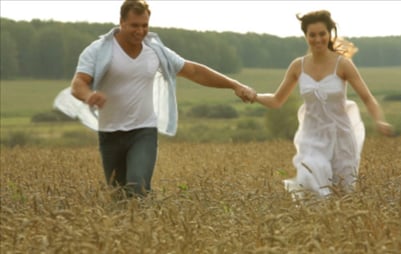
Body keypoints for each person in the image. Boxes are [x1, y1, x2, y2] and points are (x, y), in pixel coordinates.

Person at [54, 0, 256, 196]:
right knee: (119, 197)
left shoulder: (155, 51)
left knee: (138, 188)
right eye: (134, 25)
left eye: (145, 26)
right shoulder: (98, 50)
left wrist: (235, 85)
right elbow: (78, 83)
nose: (140, 31)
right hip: (110, 133)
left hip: (143, 131)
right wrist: (89, 95)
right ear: (121, 22)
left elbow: (194, 71)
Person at [253, 10, 393, 198]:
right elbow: (277, 100)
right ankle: (313, 224)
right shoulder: (298, 66)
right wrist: (254, 95)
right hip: (311, 138)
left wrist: (379, 121)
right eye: (312, 35)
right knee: (312, 179)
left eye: (322, 34)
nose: (318, 39)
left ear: (329, 34)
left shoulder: (342, 64)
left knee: (343, 193)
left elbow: (367, 97)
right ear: (306, 36)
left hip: (341, 137)